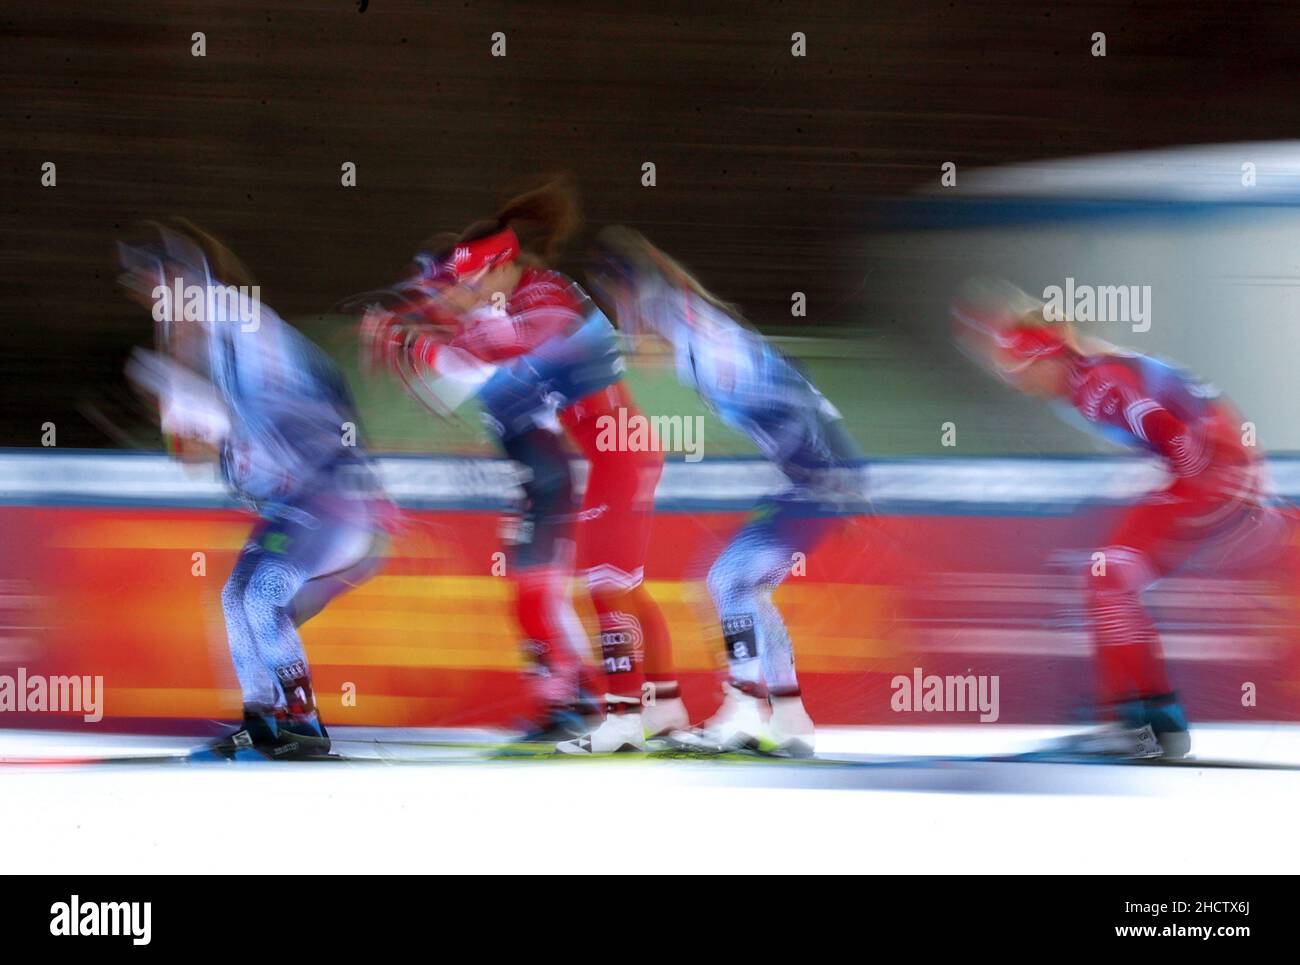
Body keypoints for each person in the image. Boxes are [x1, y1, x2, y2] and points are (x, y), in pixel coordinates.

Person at [364, 179, 684, 753]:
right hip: (620, 451)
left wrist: (413, 345)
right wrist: (409, 334)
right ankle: (665, 708)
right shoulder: (513, 297)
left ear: (503, 267)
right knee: (624, 590)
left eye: (472, 279)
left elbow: (483, 353)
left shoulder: (545, 297)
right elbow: (461, 359)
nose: (465, 289)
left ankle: (622, 718)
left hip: (621, 454)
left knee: (605, 588)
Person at [952, 280, 1282, 759]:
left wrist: (1219, 506)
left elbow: (1181, 442)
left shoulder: (1095, 386)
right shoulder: (1087, 373)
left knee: (1107, 575)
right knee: (1109, 577)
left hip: (1216, 476)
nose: (1022, 384)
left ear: (1048, 359)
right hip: (1220, 473)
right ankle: (1153, 723)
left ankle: (1138, 723)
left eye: (1024, 372)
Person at [588, 227, 867, 757]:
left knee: (726, 580)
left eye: (620, 308)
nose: (630, 335)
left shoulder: (697, 334)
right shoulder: (690, 336)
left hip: (823, 478)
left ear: (637, 299)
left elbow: (793, 390)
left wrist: (836, 476)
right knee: (741, 586)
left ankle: (744, 709)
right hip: (815, 478)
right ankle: (789, 716)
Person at [120, 221, 390, 759]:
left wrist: (181, 375)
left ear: (187, 282)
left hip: (336, 500)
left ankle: (305, 725)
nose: (158, 305)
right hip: (298, 507)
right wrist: (185, 406)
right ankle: (261, 720)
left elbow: (273, 401)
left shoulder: (241, 322)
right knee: (235, 598)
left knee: (263, 596)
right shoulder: (197, 340)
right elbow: (196, 455)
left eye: (160, 287)